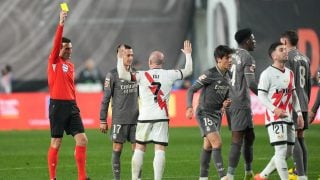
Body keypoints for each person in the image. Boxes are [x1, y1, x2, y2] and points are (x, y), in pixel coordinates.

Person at [117, 40, 193, 180]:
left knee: (139, 148)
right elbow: (188, 71)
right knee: (160, 149)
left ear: (149, 62)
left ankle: (135, 179)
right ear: (162, 63)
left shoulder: (141, 74)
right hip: (161, 117)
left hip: (144, 117)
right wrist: (188, 55)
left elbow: (122, 74)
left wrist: (120, 58)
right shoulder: (170, 74)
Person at [47, 10, 89, 180]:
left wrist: (74, 104)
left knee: (82, 140)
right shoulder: (54, 61)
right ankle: (53, 178)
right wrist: (61, 23)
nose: (70, 51)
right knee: (56, 142)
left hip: (71, 106)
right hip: (57, 105)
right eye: (66, 48)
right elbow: (57, 42)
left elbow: (70, 88)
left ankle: (81, 177)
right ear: (59, 49)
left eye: (71, 48)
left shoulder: (70, 66)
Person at [255, 42, 304, 180]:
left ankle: (263, 176)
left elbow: (293, 95)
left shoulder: (290, 73)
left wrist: (299, 113)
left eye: (285, 49)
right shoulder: (267, 74)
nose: (285, 51)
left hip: (288, 117)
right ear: (274, 55)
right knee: (281, 151)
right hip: (274, 118)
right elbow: (261, 95)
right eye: (281, 50)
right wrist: (274, 109)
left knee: (288, 152)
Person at [186, 45, 234, 180]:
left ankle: (203, 178)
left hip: (218, 114)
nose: (230, 60)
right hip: (204, 113)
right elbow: (191, 90)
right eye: (227, 58)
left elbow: (226, 95)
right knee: (217, 143)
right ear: (219, 59)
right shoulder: (210, 74)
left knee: (208, 146)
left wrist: (226, 102)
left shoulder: (230, 75)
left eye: (231, 57)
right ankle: (223, 176)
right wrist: (189, 107)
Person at [99, 44, 140, 180]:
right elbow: (105, 98)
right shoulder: (112, 75)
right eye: (127, 55)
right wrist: (103, 119)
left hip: (136, 119)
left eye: (131, 55)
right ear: (119, 56)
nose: (130, 58)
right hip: (119, 119)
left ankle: (136, 178)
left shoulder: (136, 73)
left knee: (137, 150)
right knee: (117, 149)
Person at [226, 28, 257, 180]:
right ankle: (230, 176)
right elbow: (251, 83)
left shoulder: (230, 55)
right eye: (253, 38)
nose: (255, 41)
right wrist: (266, 96)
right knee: (237, 139)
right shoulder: (247, 57)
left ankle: (248, 172)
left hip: (230, 101)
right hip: (240, 101)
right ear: (246, 41)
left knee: (250, 136)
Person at [280, 30, 311, 178]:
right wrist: (307, 102)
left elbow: (288, 83)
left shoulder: (287, 58)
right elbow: (309, 84)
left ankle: (301, 174)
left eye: (281, 42)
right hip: (304, 101)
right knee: (300, 136)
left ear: (285, 42)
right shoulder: (305, 57)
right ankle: (302, 171)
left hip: (293, 103)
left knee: (293, 138)